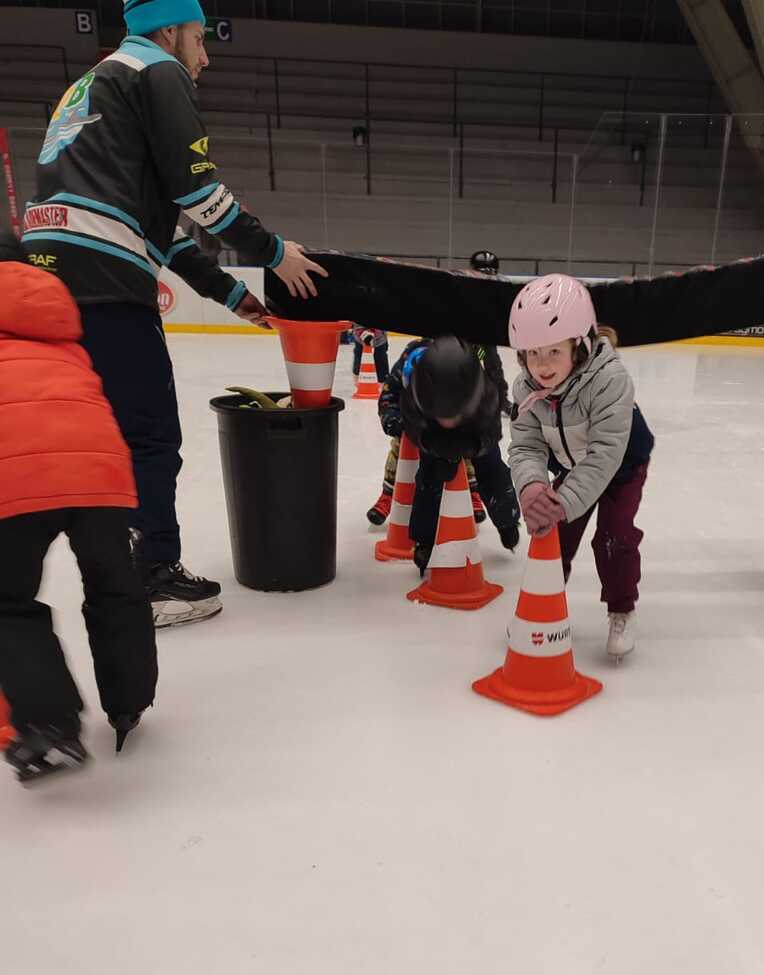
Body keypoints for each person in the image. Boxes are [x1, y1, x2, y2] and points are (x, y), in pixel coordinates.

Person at [22, 0, 326, 628]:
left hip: (48, 278)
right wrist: (274, 254)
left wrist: (232, 294)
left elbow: (160, 228)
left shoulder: (94, 82)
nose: (205, 57)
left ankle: (111, 574)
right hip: (107, 281)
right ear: (169, 31)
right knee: (150, 434)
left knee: (94, 435)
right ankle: (154, 576)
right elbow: (200, 194)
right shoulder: (158, 72)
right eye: (200, 38)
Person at [0, 231, 158, 783]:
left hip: (15, 475)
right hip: (99, 468)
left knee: (6, 602)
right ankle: (129, 701)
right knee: (115, 585)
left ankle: (49, 721)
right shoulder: (56, 318)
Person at [507, 274, 654, 661]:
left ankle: (621, 609)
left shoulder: (609, 380)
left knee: (613, 537)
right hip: (573, 463)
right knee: (553, 534)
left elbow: (605, 454)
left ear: (580, 346)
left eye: (554, 352)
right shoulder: (525, 389)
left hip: (622, 466)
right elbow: (526, 446)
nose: (542, 366)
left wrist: (562, 501)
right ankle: (541, 607)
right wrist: (533, 488)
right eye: (532, 353)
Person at [379, 336, 520, 573]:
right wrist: (429, 442)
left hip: (473, 428)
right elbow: (402, 413)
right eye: (442, 415)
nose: (448, 421)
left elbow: (492, 431)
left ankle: (507, 520)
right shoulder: (413, 385)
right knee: (428, 479)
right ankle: (424, 540)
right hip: (431, 431)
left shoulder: (485, 392)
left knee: (493, 470)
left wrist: (472, 446)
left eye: (452, 415)